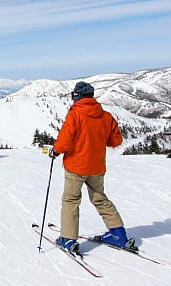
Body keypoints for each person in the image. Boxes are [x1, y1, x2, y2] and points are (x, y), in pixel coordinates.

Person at [48, 81, 131, 254]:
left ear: (76, 96)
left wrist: (55, 150)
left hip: (76, 166)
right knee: (100, 198)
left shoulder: (75, 114)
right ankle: (118, 235)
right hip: (97, 166)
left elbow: (65, 139)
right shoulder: (105, 116)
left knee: (71, 200)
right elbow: (116, 141)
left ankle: (68, 239)